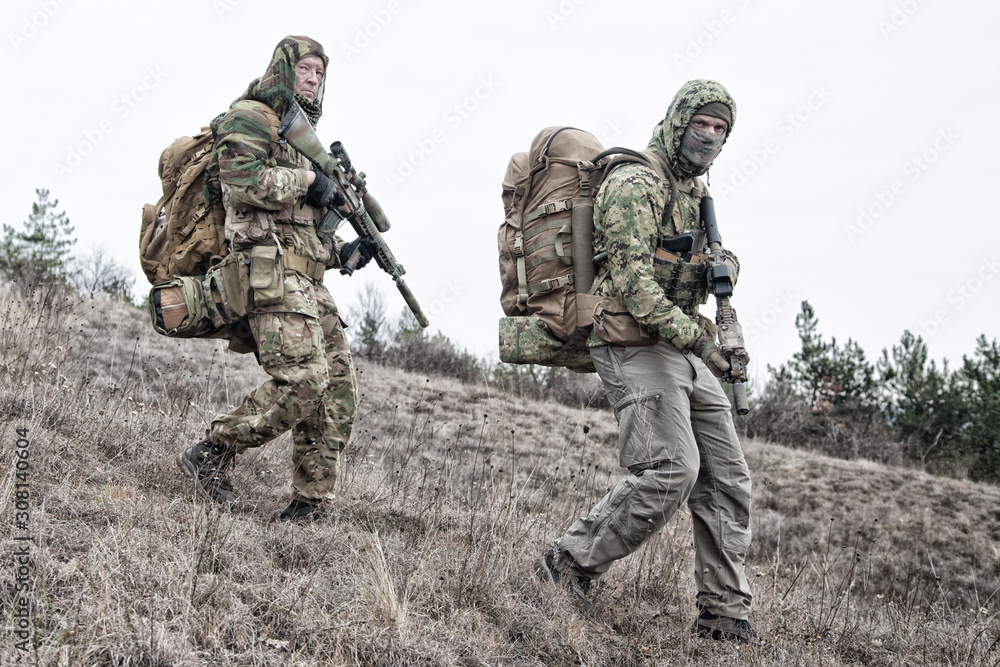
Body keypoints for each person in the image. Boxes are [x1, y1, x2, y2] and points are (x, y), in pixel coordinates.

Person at [539, 79, 756, 642]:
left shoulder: (694, 193)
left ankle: (724, 613)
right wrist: (703, 342)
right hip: (632, 339)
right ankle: (569, 562)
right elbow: (634, 283)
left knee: (727, 478)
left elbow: (684, 268)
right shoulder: (637, 182)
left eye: (720, 129)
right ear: (679, 120)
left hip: (677, 345)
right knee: (671, 470)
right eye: (701, 124)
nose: (709, 137)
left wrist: (721, 265)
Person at [176, 35, 375, 521]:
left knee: (338, 389)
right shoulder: (250, 116)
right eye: (305, 69)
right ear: (283, 70)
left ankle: (310, 501)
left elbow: (299, 229)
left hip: (307, 278)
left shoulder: (303, 139)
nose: (313, 79)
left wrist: (343, 253)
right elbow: (243, 184)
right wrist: (310, 182)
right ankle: (213, 452)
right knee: (304, 379)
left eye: (320, 73)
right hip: (267, 272)